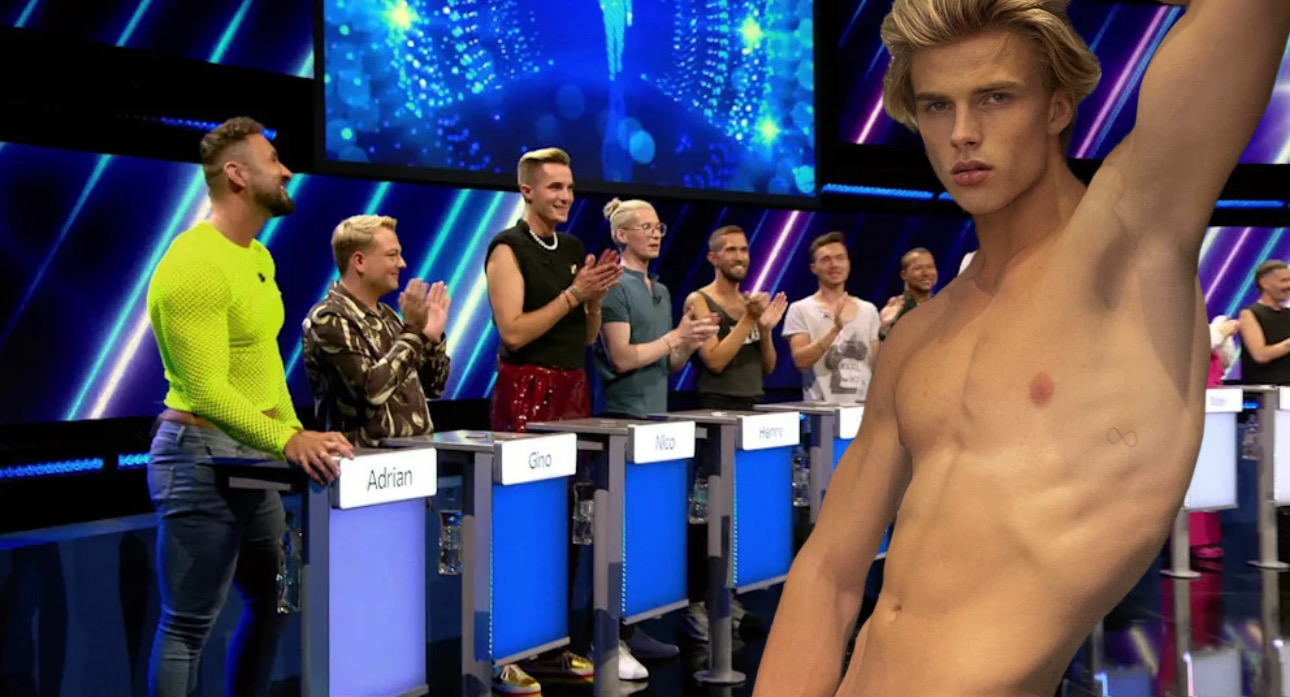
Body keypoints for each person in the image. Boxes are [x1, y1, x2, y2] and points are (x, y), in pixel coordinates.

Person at [754, 2, 1290, 696]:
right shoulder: (918, 335)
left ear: (1057, 106)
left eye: (995, 98)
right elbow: (828, 570)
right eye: (937, 106)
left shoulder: (1130, 246)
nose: (962, 133)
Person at [144, 117, 352, 697]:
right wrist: (288, 441)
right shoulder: (194, 262)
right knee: (188, 625)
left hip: (251, 455)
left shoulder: (258, 255)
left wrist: (298, 434)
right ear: (237, 175)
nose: (287, 170)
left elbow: (262, 366)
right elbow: (205, 389)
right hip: (198, 457)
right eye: (273, 160)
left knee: (278, 599)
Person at [483, 147, 621, 694]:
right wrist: (573, 294)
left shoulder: (573, 248)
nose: (566, 196)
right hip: (526, 393)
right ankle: (505, 654)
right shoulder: (506, 248)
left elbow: (585, 337)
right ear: (527, 191)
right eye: (554, 187)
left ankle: (551, 647)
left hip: (572, 394)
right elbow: (513, 332)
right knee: (522, 524)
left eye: (569, 186)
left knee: (565, 526)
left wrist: (593, 302)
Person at [593, 198, 718, 677]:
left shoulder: (661, 291)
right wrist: (674, 339)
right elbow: (622, 357)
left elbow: (669, 363)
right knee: (620, 535)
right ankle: (608, 640)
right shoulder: (614, 287)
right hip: (622, 421)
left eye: (658, 226)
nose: (656, 233)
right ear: (621, 235)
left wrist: (687, 340)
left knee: (648, 534)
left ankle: (636, 626)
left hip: (657, 422)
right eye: (645, 227)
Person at [300, 214, 452, 448]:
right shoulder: (329, 318)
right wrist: (412, 333)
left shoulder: (389, 317)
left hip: (415, 457)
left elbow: (434, 387)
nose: (402, 264)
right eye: (392, 255)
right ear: (359, 261)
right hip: (365, 460)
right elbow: (370, 393)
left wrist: (431, 338)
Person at [685, 225, 787, 411]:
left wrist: (765, 330)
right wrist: (749, 318)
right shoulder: (699, 300)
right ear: (713, 258)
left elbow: (769, 367)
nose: (739, 257)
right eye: (731, 250)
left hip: (755, 402)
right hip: (717, 404)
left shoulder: (749, 303)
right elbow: (715, 362)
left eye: (744, 250)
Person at [783, 232, 884, 404]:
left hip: (862, 410)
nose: (834, 264)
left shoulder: (868, 310)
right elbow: (801, 361)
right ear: (814, 268)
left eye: (840, 258)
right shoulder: (800, 309)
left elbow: (877, 366)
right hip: (821, 412)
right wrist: (835, 330)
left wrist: (887, 331)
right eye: (826, 259)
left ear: (848, 264)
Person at [1238, 260, 1290, 386]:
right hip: (1265, 391)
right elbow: (1260, 355)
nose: (1288, 285)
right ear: (1264, 283)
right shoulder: (1249, 314)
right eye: (1283, 281)